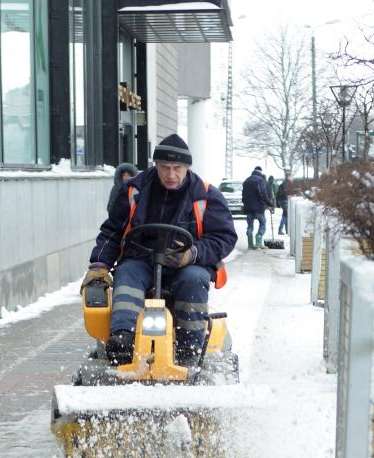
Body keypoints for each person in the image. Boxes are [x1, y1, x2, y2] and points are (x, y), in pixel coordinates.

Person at [83, 133, 237, 365]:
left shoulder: (206, 196)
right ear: (155, 165)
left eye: (177, 168)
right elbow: (112, 231)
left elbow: (224, 237)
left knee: (194, 279)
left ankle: (190, 349)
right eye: (165, 167)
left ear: (187, 167)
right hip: (141, 259)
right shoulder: (134, 190)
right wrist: (99, 264)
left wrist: (192, 253)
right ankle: (122, 339)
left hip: (186, 265)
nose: (171, 174)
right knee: (127, 273)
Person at [241, 166, 273, 249]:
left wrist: (245, 204)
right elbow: (264, 194)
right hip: (259, 208)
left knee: (250, 226)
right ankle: (258, 241)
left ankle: (250, 244)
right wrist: (269, 203)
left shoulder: (246, 181)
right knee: (262, 223)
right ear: (260, 172)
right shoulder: (260, 180)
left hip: (248, 208)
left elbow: (243, 196)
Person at [275, 171, 293, 235]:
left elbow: (278, 194)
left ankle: (286, 230)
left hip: (282, 200)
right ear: (288, 177)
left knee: (286, 215)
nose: (292, 178)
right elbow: (287, 192)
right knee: (285, 216)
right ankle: (280, 230)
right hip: (285, 201)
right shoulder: (288, 184)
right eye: (291, 176)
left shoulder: (284, 183)